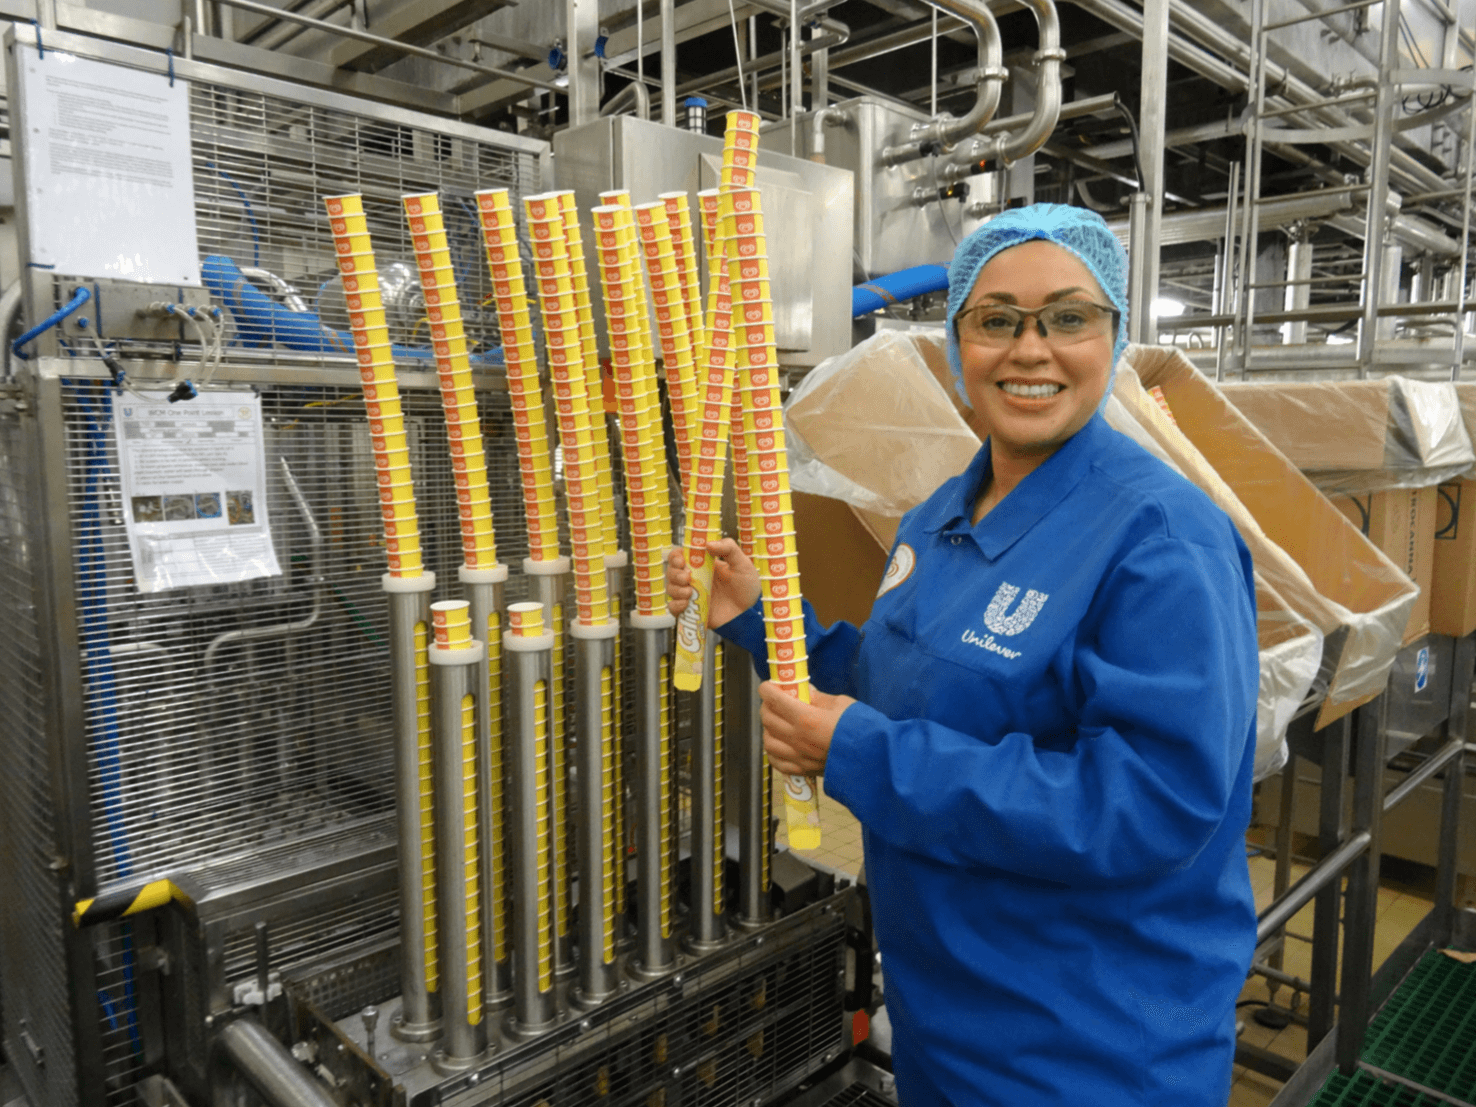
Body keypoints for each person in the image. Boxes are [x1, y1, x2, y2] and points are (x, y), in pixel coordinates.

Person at [667, 203, 1260, 1106]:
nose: (1031, 349)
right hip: (949, 1016)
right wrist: (755, 619)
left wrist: (859, 753)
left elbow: (1147, 805)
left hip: (1091, 1043)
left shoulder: (1164, 536)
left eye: (1069, 316)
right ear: (955, 343)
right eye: (996, 320)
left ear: (1115, 334)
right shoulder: (941, 512)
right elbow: (907, 680)